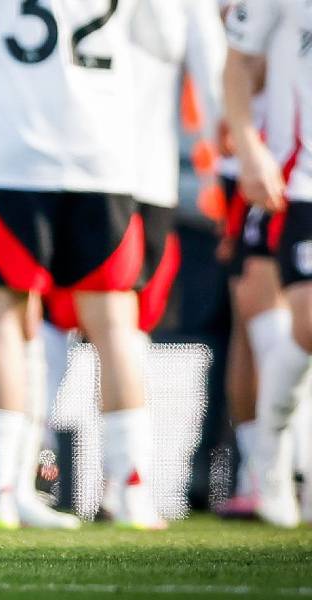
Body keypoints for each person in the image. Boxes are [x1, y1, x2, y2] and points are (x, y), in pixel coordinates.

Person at [0, 0, 178, 529]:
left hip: (12, 156)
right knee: (115, 325)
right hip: (103, 157)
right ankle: (131, 488)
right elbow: (167, 41)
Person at [224, 0, 312, 528]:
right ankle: (270, 461)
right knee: (306, 323)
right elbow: (237, 63)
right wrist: (248, 148)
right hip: (300, 182)